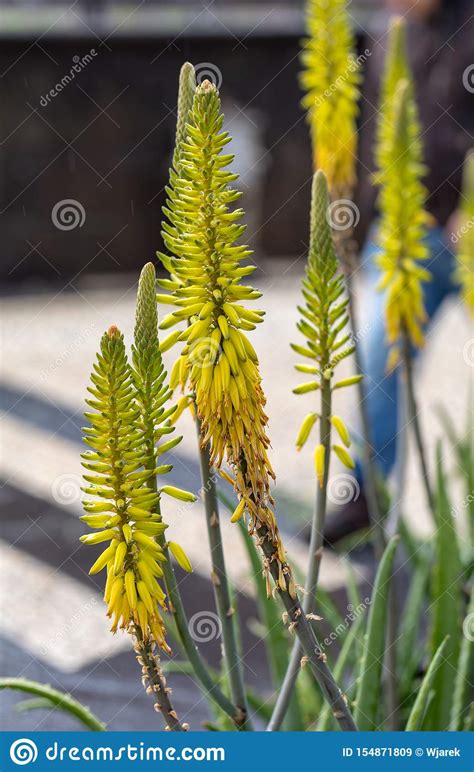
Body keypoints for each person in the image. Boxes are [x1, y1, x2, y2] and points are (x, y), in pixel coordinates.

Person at [324, 0, 474, 544]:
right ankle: (367, 500)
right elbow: (377, 138)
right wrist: (360, 223)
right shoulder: (395, 34)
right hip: (402, 231)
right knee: (375, 361)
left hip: (468, 229)